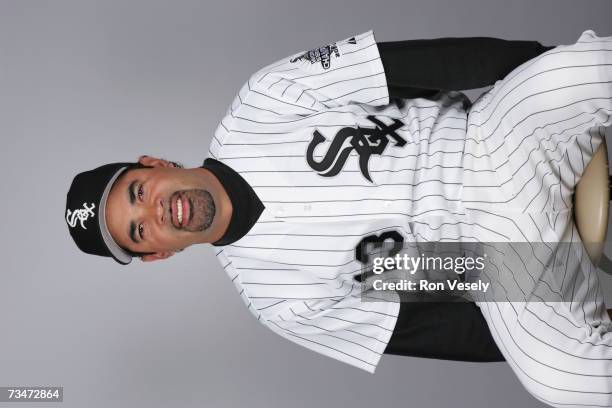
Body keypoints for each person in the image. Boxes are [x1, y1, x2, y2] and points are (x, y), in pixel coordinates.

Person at [65, 30, 612, 407]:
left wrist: (540, 70)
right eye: (139, 231)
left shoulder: (264, 99)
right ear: (158, 252)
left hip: (487, 143)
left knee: (576, 71)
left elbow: (425, 63)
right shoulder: (275, 301)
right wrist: (530, 328)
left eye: (138, 192)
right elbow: (431, 325)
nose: (155, 211)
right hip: (493, 263)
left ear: (155, 165)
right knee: (558, 380)